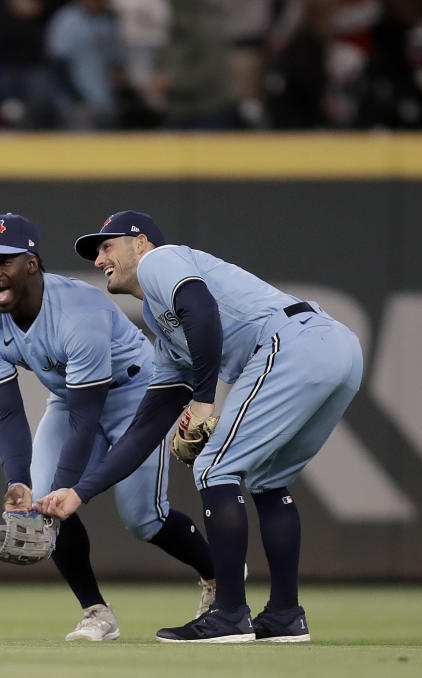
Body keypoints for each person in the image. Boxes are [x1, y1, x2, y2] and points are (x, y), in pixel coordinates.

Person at [36, 211, 363, 643]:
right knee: (268, 479)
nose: (99, 259)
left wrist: (204, 399)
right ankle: (285, 614)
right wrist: (79, 493)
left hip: (294, 344)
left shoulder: (161, 260)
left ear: (141, 243)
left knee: (213, 468)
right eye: (96, 252)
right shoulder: (160, 321)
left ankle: (228, 614)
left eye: (107, 246)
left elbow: (202, 310)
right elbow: (146, 427)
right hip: (338, 350)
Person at [0, 213, 216, 641]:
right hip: (69, 398)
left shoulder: (77, 311)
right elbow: (7, 415)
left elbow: (87, 418)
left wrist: (68, 493)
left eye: (3, 260)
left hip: (136, 393)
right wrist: (17, 483)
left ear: (31, 263)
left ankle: (218, 578)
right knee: (43, 502)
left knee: (143, 519)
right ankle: (96, 612)